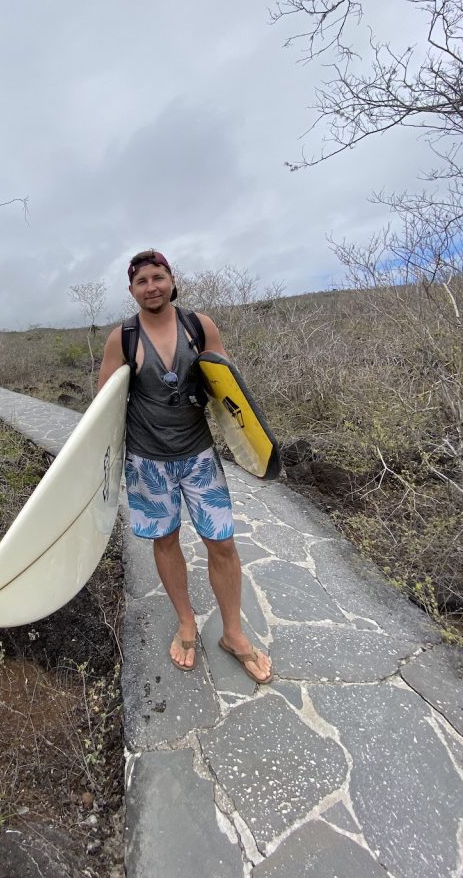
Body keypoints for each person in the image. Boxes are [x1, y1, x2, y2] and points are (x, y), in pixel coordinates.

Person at [97, 249, 272, 683]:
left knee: (223, 543)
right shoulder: (123, 338)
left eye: (158, 277)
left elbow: (225, 385)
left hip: (198, 457)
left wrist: (247, 439)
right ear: (131, 289)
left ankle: (233, 633)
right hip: (147, 462)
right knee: (165, 541)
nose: (151, 287)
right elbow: (104, 405)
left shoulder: (199, 326)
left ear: (172, 280)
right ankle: (186, 621)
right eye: (142, 281)